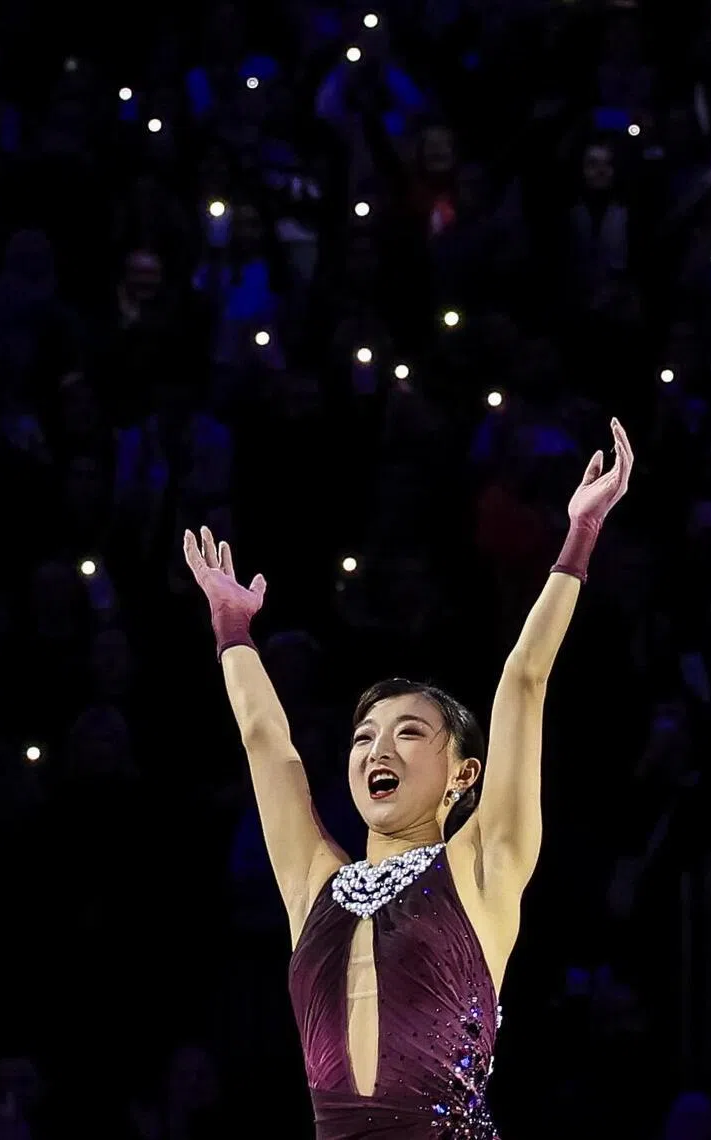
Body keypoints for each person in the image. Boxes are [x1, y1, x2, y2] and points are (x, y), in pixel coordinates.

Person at [183, 419, 634, 1139]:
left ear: (464, 775)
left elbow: (523, 681)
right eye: (364, 736)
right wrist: (233, 630)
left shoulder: (486, 867)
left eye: (408, 732)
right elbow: (268, 745)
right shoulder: (313, 885)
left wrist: (578, 538)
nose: (375, 749)